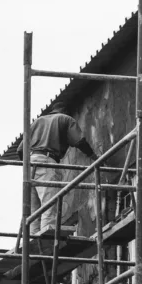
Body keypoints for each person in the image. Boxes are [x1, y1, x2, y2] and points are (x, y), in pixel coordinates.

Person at [16, 101, 94, 236]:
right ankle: (46, 240)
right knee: (49, 205)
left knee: (34, 210)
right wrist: (94, 156)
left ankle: (31, 241)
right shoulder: (65, 119)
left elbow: (20, 150)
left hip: (30, 163)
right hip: (47, 161)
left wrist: (29, 163)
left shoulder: (37, 122)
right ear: (66, 111)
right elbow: (80, 141)